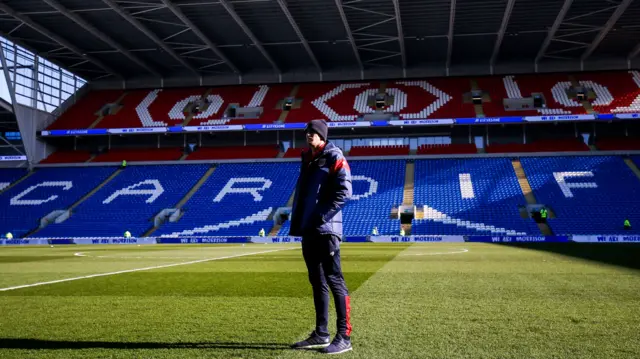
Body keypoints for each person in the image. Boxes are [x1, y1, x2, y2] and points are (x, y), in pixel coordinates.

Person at [289, 119, 353, 355]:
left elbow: (345, 191)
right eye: (307, 132)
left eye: (313, 132)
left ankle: (344, 336)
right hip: (309, 230)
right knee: (317, 281)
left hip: (326, 230)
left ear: (323, 135)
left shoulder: (334, 156)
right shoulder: (307, 159)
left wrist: (321, 217)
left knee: (334, 280)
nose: (308, 135)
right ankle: (321, 333)